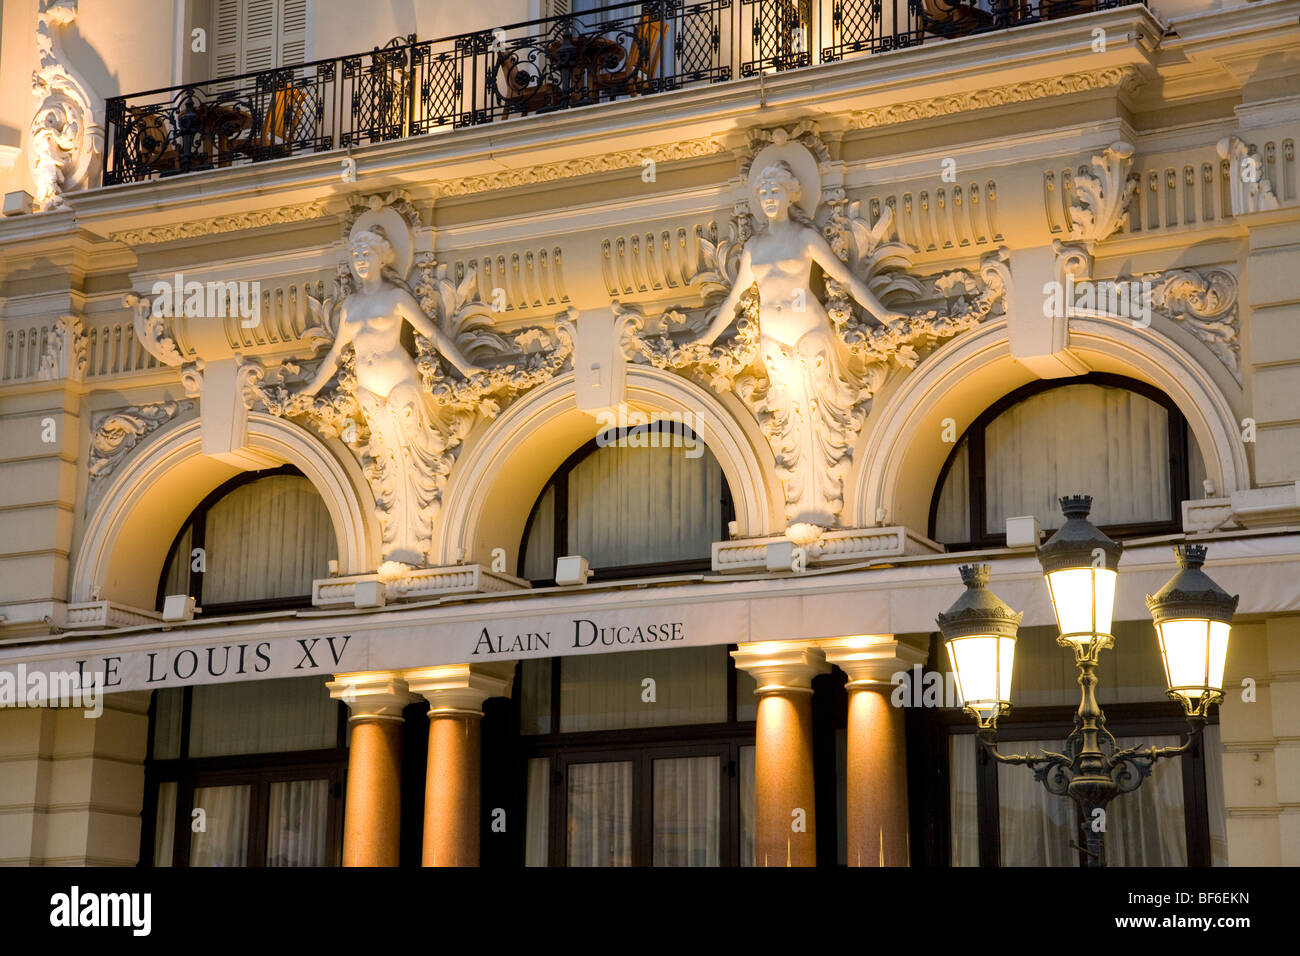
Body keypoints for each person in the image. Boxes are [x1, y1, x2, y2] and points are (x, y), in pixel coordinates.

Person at [697, 161, 904, 537]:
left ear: (792, 194)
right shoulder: (755, 247)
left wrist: (882, 314)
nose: (768, 198)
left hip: (809, 331)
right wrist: (707, 338)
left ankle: (821, 500)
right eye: (763, 193)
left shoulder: (804, 239)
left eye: (775, 191)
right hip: (772, 341)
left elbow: (844, 278)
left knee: (820, 409)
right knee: (788, 416)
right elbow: (734, 299)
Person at [301, 226, 479, 565]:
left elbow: (432, 334)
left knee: (408, 453)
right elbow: (337, 354)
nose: (360, 261)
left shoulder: (395, 298)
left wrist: (466, 368)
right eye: (355, 255)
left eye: (366, 254)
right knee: (388, 461)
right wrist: (311, 388)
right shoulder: (350, 305)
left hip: (401, 385)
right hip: (368, 393)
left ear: (382, 257)